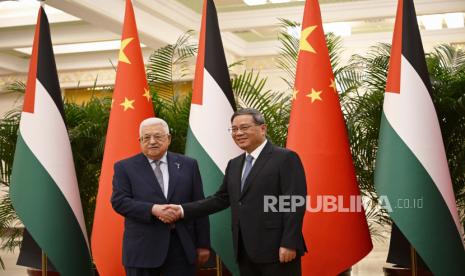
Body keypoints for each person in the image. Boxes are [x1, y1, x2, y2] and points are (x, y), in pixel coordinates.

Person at [164, 108, 307, 276]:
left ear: (263, 129)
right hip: (244, 250)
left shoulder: (285, 158)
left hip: (277, 249)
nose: (238, 133)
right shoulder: (234, 164)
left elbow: (293, 203)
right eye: (234, 129)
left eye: (244, 127)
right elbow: (221, 198)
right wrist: (181, 210)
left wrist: (289, 243)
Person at [111, 117, 210, 276]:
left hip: (181, 248)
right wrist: (153, 209)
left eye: (157, 136)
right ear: (140, 140)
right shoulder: (124, 167)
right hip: (142, 251)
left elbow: (199, 205)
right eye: (146, 137)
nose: (152, 141)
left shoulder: (188, 165)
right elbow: (119, 201)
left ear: (168, 138)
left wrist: (203, 244)